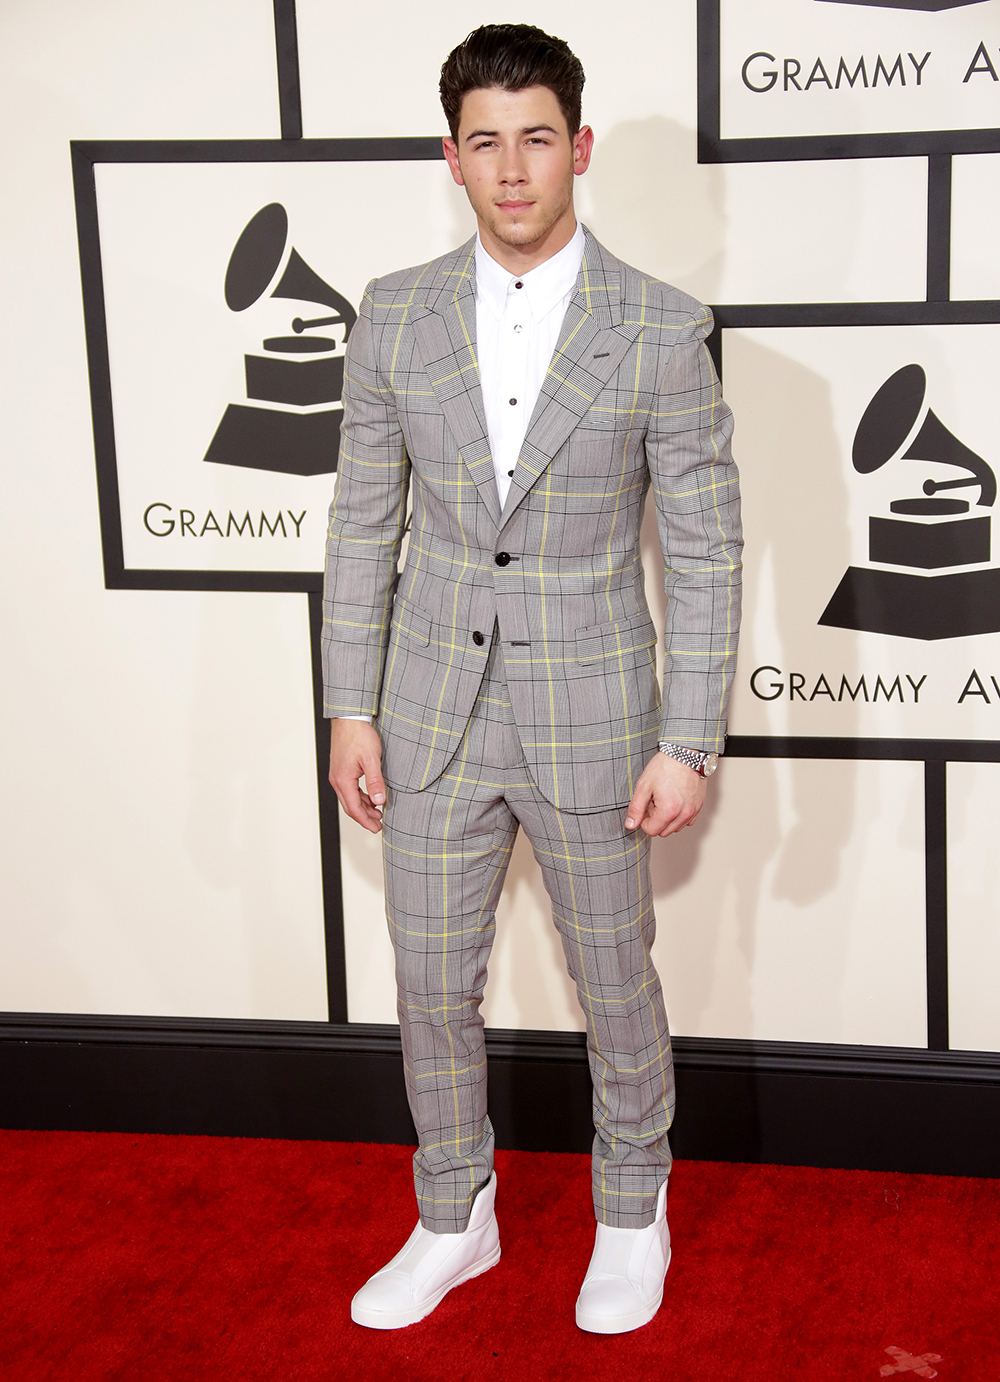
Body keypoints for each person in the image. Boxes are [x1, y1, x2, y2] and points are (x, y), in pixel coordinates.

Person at [322, 22, 742, 1335]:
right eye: (487, 142)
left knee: (614, 978)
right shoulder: (392, 312)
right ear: (452, 157)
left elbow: (705, 542)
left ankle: (633, 1208)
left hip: (600, 713)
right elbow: (359, 522)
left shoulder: (663, 327)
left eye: (537, 138)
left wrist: (692, 736)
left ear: (580, 147)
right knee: (429, 985)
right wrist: (350, 702)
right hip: (429, 705)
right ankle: (456, 1212)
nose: (513, 169)